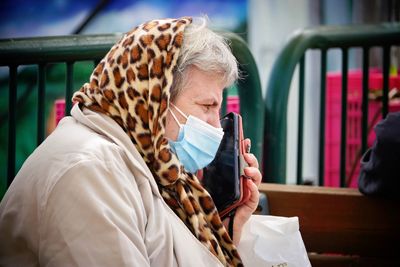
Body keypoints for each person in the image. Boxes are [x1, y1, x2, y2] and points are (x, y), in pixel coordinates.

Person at [0, 17, 262, 266]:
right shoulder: (88, 173)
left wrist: (226, 225)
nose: (216, 126)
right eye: (207, 106)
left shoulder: (150, 159)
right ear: (154, 100)